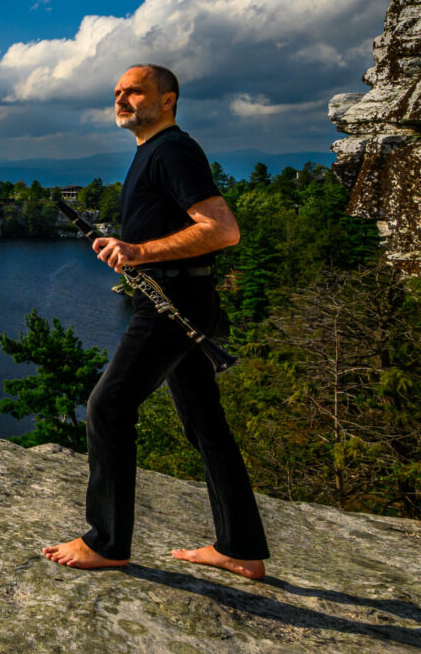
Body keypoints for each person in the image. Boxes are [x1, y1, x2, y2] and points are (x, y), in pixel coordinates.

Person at [43, 64, 270, 580]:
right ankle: (241, 547)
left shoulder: (171, 150)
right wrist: (134, 253)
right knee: (205, 423)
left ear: (167, 99)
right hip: (185, 299)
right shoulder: (151, 151)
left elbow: (222, 230)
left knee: (108, 406)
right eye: (117, 92)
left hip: (174, 303)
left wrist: (139, 250)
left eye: (135, 91)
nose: (122, 99)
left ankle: (106, 541)